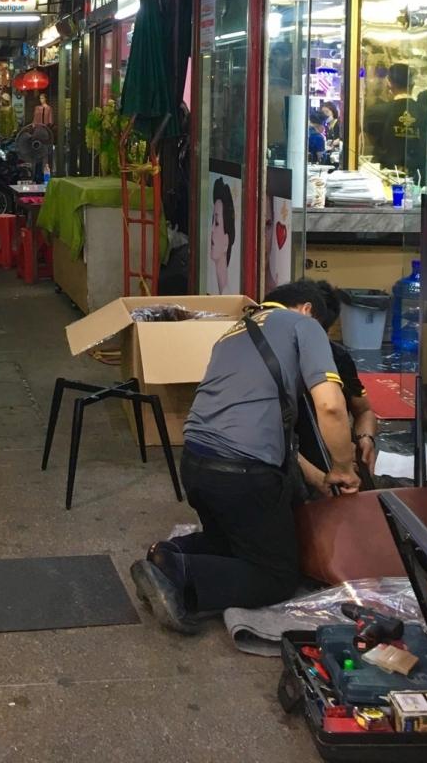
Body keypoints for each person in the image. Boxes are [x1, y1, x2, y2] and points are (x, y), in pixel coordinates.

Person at [130, 280, 358, 633]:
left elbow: (267, 432)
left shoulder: (230, 335)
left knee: (228, 543)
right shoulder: (304, 325)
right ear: (308, 309)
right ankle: (178, 575)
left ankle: (166, 554)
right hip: (242, 474)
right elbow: (330, 406)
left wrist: (318, 478)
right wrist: (343, 467)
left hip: (195, 464)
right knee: (277, 575)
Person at [297, 280, 378, 493]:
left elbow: (364, 411)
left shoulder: (338, 357)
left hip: (339, 467)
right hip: (295, 469)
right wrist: (319, 480)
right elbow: (279, 444)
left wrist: (366, 438)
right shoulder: (276, 360)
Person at [364, 63, 420, 172]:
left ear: (389, 83)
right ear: (412, 84)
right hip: (418, 174)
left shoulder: (375, 112)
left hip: (384, 171)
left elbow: (373, 140)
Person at [208, 177, 236, 294]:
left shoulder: (228, 296)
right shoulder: (216, 291)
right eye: (212, 221)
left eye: (217, 223)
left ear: (226, 241)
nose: (212, 230)